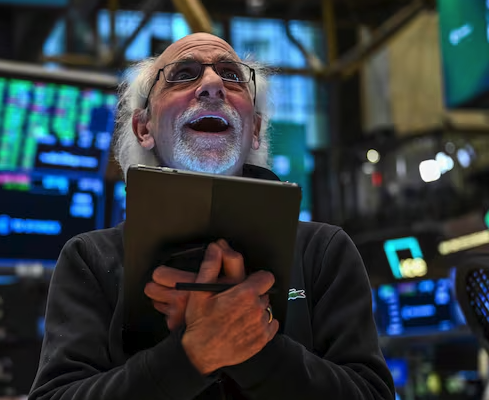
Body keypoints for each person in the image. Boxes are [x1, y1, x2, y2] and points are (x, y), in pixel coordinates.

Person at [28, 33, 395, 400]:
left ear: (255, 129)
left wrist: (256, 348)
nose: (213, 84)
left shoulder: (324, 251)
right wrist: (189, 357)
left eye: (231, 75)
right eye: (183, 74)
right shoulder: (90, 259)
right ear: (144, 128)